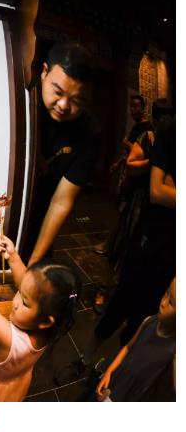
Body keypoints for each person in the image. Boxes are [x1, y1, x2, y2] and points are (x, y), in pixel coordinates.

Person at [60, 99, 175, 381]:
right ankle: (85, 360)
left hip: (174, 253)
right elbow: (158, 191)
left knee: (145, 318)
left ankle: (111, 370)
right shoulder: (170, 130)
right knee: (119, 303)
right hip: (151, 237)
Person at [0, 236, 80, 401]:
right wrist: (13, 257)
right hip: (13, 382)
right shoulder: (53, 326)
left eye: (24, 302)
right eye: (19, 292)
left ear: (46, 322)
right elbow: (28, 285)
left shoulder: (10, 340)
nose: (15, 302)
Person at [24, 42, 100, 265]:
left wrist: (34, 264)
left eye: (77, 100)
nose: (64, 105)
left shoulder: (90, 132)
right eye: (57, 92)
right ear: (44, 72)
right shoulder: (21, 96)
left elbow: (61, 201)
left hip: (43, 213)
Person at [95, 94, 154, 270]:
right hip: (127, 175)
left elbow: (140, 154)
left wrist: (128, 145)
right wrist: (118, 163)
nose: (133, 109)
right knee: (120, 211)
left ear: (143, 108)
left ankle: (109, 245)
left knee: (121, 211)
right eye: (131, 106)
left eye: (136, 106)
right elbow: (130, 154)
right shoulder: (137, 126)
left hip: (134, 179)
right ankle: (112, 245)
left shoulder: (147, 129)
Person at [95, 278, 175, 402]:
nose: (163, 303)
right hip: (118, 378)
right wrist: (109, 371)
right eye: (166, 293)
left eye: (171, 302)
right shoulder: (149, 321)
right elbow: (128, 347)